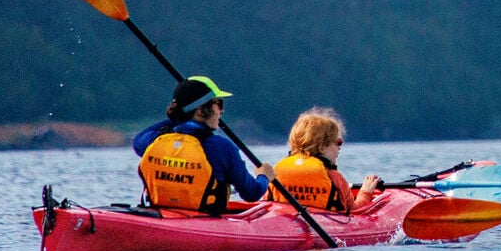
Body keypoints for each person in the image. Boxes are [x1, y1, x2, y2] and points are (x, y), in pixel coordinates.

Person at [133, 75, 275, 214]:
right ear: (201, 111)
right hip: (204, 219)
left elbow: (138, 141)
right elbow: (252, 193)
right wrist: (264, 177)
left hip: (161, 213)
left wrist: (180, 116)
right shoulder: (223, 148)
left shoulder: (156, 140)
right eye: (218, 104)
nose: (222, 111)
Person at [270, 108, 383, 213]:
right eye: (338, 142)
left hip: (284, 223)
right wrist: (365, 192)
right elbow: (353, 211)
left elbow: (268, 204)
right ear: (322, 147)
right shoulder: (334, 177)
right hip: (325, 227)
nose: (339, 147)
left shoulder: (276, 173)